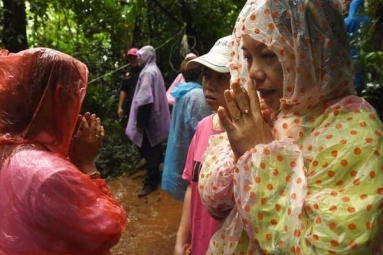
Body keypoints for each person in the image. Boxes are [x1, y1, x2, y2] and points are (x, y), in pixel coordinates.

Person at [198, 1, 383, 254]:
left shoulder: (354, 129)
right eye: (248, 57)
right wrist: (240, 152)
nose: (252, 72)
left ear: (315, 50)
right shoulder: (267, 113)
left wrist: (258, 152)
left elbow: (323, 247)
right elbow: (215, 202)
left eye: (269, 55)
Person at [0, 48, 127, 254]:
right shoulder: (50, 173)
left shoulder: (9, 151)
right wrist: (86, 163)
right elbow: (108, 231)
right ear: (59, 95)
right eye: (75, 95)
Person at [174, 35, 231, 255]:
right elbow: (192, 185)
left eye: (222, 77)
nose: (210, 85)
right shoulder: (203, 127)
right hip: (199, 244)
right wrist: (182, 239)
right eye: (207, 75)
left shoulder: (249, 135)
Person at [161, 55, 212, 201]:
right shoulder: (197, 95)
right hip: (192, 153)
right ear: (202, 74)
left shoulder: (182, 91)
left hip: (182, 149)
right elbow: (205, 129)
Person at [126, 45, 170, 198]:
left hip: (148, 121)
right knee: (154, 148)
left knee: (149, 150)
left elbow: (145, 101)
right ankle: (156, 174)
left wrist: (140, 124)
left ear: (147, 57)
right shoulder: (154, 70)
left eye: (140, 56)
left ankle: (151, 182)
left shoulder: (147, 73)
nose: (138, 59)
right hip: (154, 118)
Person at [117, 47, 142, 121]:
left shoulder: (144, 71)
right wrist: (120, 107)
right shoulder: (128, 73)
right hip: (130, 105)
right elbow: (123, 90)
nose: (132, 60)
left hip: (141, 104)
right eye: (130, 58)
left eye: (134, 58)